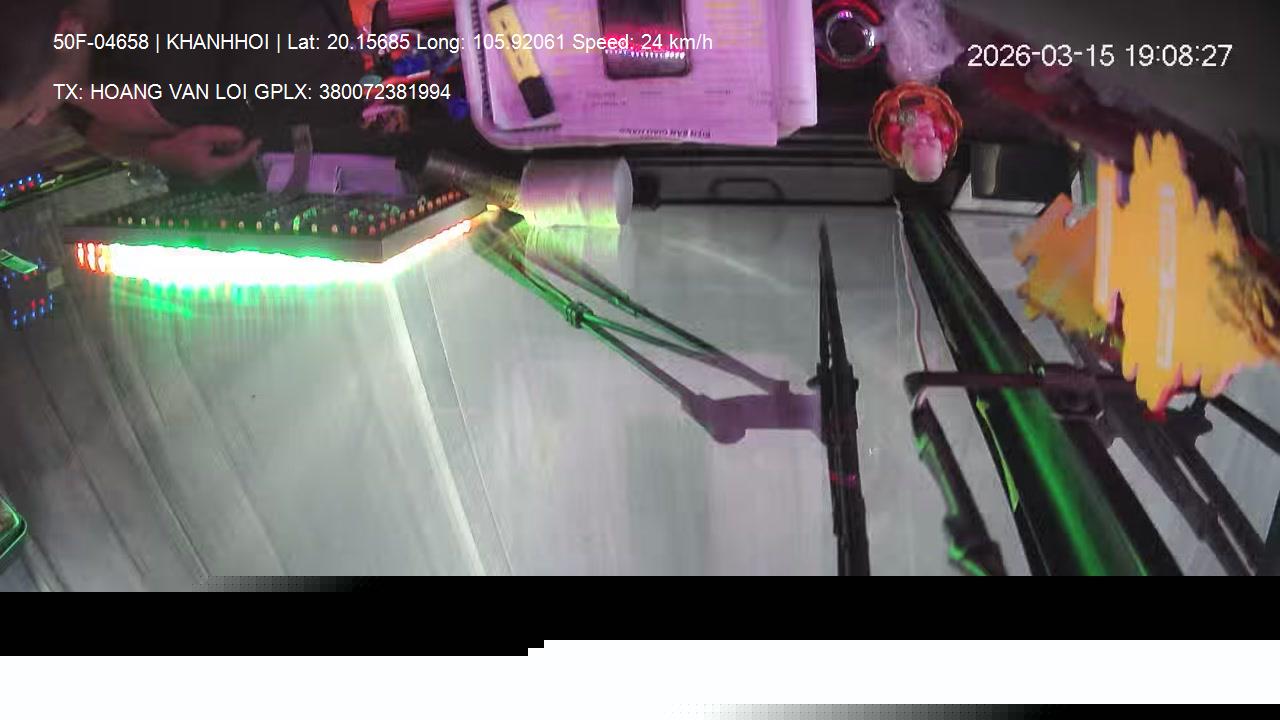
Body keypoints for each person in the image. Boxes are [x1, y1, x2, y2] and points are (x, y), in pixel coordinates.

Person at [0, 0, 364, 183]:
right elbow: (90, 128)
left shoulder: (169, 60)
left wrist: (75, 92)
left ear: (67, 30)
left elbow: (169, 115)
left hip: (332, 101)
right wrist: (152, 152)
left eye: (30, 110)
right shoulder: (61, 49)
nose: (37, 120)